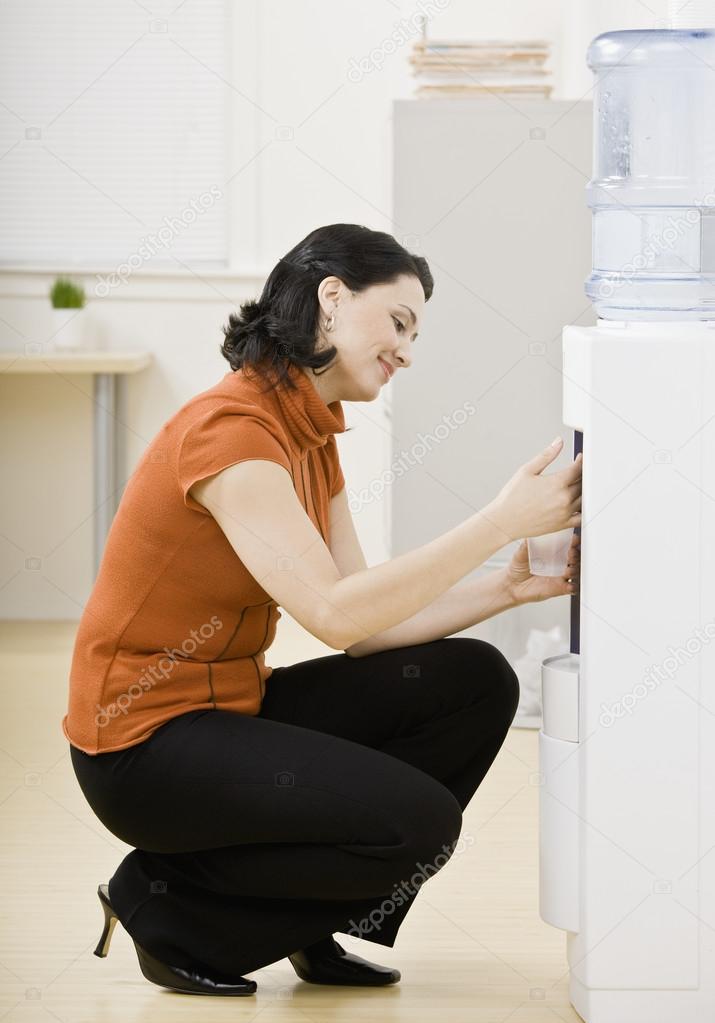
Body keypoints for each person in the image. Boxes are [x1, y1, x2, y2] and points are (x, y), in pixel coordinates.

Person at [64, 222, 582, 997]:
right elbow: (335, 616)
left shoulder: (311, 433)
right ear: (331, 300)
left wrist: (504, 587)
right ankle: (164, 907)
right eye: (399, 323)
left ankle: (315, 921)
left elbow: (368, 626)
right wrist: (500, 519)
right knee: (419, 822)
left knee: (475, 679)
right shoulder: (232, 432)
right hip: (143, 747)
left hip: (228, 710)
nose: (408, 351)